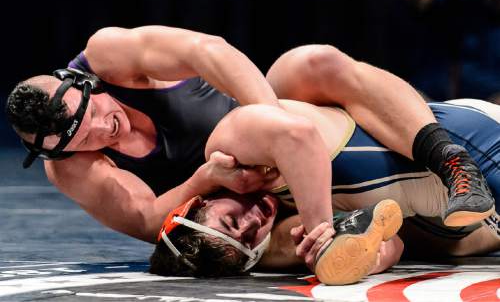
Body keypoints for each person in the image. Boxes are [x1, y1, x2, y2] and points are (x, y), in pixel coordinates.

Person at [5, 25, 493, 244]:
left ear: (83, 84)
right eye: (82, 139)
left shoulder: (108, 54)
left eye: (87, 112)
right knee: (233, 234)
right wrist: (204, 179)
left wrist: (271, 117)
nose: (100, 128)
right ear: (60, 152)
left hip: (265, 118)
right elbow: (149, 222)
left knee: (313, 60)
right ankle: (337, 237)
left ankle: (448, 159)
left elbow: (208, 50)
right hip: (232, 190)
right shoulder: (68, 170)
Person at [149, 98, 499, 279]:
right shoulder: (279, 239)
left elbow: (298, 138)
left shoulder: (232, 149)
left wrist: (321, 225)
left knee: (309, 66)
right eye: (247, 243)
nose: (252, 225)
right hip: (478, 216)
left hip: (477, 144)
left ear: (200, 201)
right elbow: (394, 240)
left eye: (230, 222)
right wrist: (360, 258)